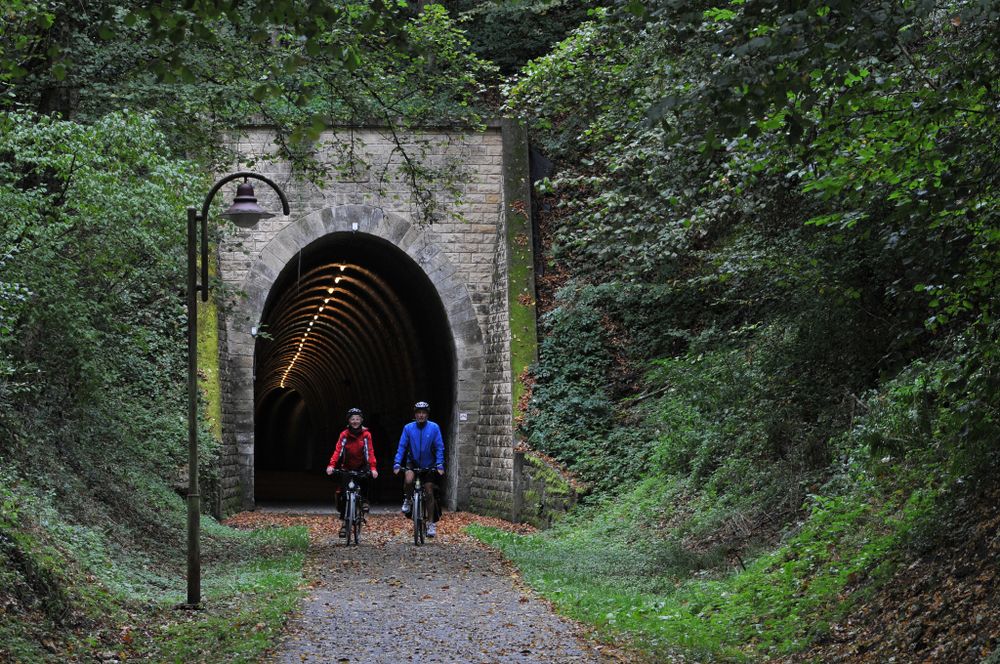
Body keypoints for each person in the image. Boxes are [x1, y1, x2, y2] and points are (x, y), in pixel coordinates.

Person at [393, 401, 445, 537]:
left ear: (427, 415)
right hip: (413, 462)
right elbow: (402, 447)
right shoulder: (408, 428)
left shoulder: (434, 428)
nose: (421, 415)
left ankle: (431, 523)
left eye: (423, 413)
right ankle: (408, 499)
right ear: (415, 415)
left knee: (428, 491)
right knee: (408, 479)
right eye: (418, 413)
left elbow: (439, 447)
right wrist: (397, 463)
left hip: (429, 464)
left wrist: (439, 464)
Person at [327, 407, 378, 538]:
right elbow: (338, 450)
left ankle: (365, 501)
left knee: (366, 479)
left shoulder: (366, 435)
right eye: (352, 419)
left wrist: (372, 467)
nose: (355, 421)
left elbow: (369, 451)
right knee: (344, 494)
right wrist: (332, 465)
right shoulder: (344, 434)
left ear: (361, 420)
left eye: (357, 419)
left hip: (361, 466)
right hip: (347, 467)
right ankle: (344, 523)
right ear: (348, 421)